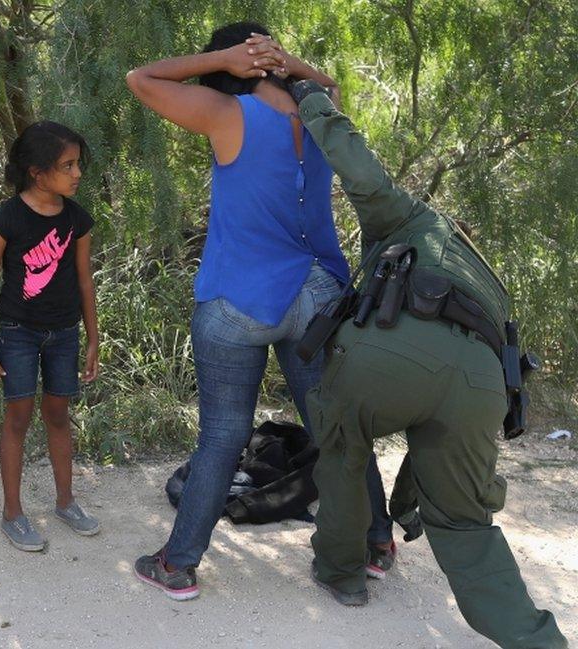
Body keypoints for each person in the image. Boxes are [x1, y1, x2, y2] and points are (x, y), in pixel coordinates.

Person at [290, 79, 568, 648]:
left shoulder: (417, 220)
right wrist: (410, 503)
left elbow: (361, 173)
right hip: (480, 384)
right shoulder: (492, 285)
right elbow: (436, 426)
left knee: (343, 454)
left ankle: (342, 574)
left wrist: (312, 101)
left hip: (388, 353)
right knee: (468, 526)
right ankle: (538, 641)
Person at [124, 22, 395, 600]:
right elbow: (331, 88)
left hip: (238, 301)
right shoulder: (320, 119)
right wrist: (288, 62)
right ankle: (376, 542)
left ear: (232, 65)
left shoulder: (229, 114)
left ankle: (177, 565)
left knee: (223, 437)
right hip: (317, 297)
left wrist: (220, 58)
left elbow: (140, 78)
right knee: (335, 427)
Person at [0, 121, 101, 552]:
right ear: (36, 171)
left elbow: (85, 282)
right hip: (19, 332)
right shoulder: (8, 219)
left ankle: (66, 502)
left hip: (64, 333)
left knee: (59, 415)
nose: (77, 173)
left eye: (78, 164)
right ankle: (13, 513)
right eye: (67, 166)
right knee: (18, 417)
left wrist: (93, 339)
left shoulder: (76, 219)